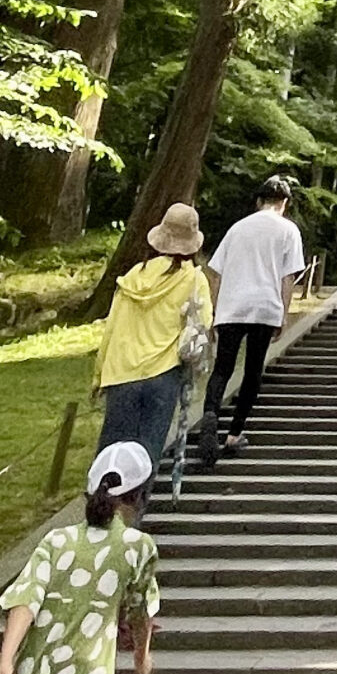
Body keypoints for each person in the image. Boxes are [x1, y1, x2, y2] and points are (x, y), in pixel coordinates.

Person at [0, 442, 159, 674]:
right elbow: (141, 612)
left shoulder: (57, 540)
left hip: (34, 669)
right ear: (139, 496)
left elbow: (25, 598)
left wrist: (5, 661)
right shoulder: (138, 546)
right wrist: (141, 658)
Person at [94, 202, 211, 472]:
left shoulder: (133, 277)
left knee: (110, 456)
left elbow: (112, 328)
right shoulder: (194, 280)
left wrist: (98, 375)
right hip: (164, 373)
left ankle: (102, 498)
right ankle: (138, 500)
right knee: (144, 458)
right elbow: (202, 326)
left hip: (121, 373)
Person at [197, 175, 305, 462]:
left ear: (259, 201)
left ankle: (210, 414)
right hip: (265, 307)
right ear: (284, 203)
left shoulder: (237, 228)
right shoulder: (289, 230)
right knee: (253, 371)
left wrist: (215, 311)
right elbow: (288, 278)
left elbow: (216, 273)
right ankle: (234, 433)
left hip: (232, 307)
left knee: (222, 368)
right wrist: (283, 314)